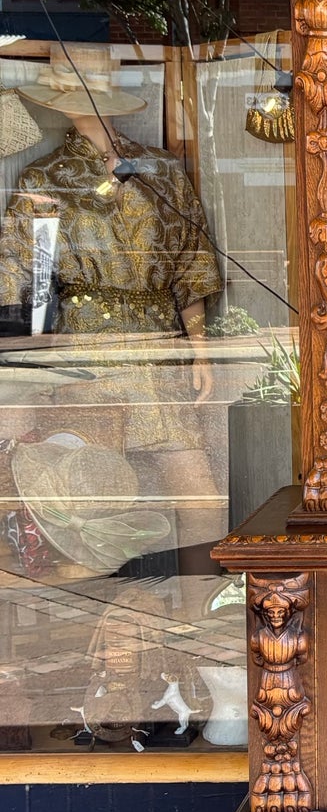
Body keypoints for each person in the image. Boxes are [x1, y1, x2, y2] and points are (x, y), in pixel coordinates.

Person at [0, 43, 225, 561]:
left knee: (199, 492)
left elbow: (189, 258)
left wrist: (202, 349)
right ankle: (108, 624)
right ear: (58, 102)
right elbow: (25, 276)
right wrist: (28, 366)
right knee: (93, 496)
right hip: (85, 344)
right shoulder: (45, 179)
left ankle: (200, 610)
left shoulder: (161, 169)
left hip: (155, 343)